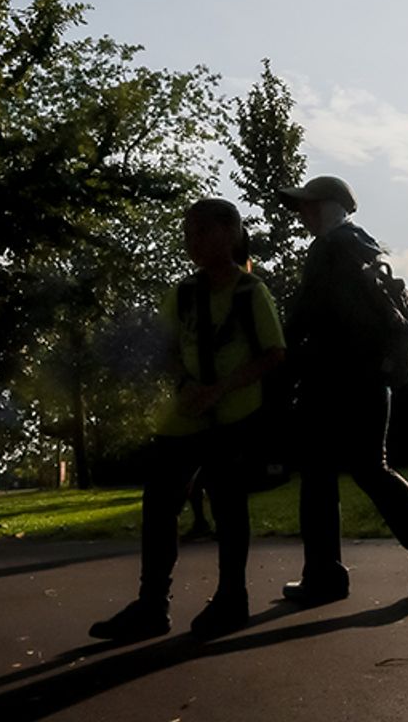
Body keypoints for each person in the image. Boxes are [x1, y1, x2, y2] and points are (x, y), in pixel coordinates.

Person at [89, 198, 285, 642]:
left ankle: (232, 599)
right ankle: (151, 606)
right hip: (181, 420)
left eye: (201, 232)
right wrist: (186, 387)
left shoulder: (252, 293)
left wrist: (220, 389)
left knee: (229, 510)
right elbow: (165, 349)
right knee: (158, 509)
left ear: (230, 232)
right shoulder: (182, 294)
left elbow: (274, 355)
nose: (192, 242)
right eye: (187, 233)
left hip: (234, 419)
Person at [277, 174, 408, 605]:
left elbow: (305, 314)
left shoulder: (328, 249)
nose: (301, 213)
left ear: (329, 206)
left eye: (308, 204)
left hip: (334, 379)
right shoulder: (366, 248)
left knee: (318, 473)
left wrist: (280, 355)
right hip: (373, 376)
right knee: (370, 467)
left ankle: (324, 575)